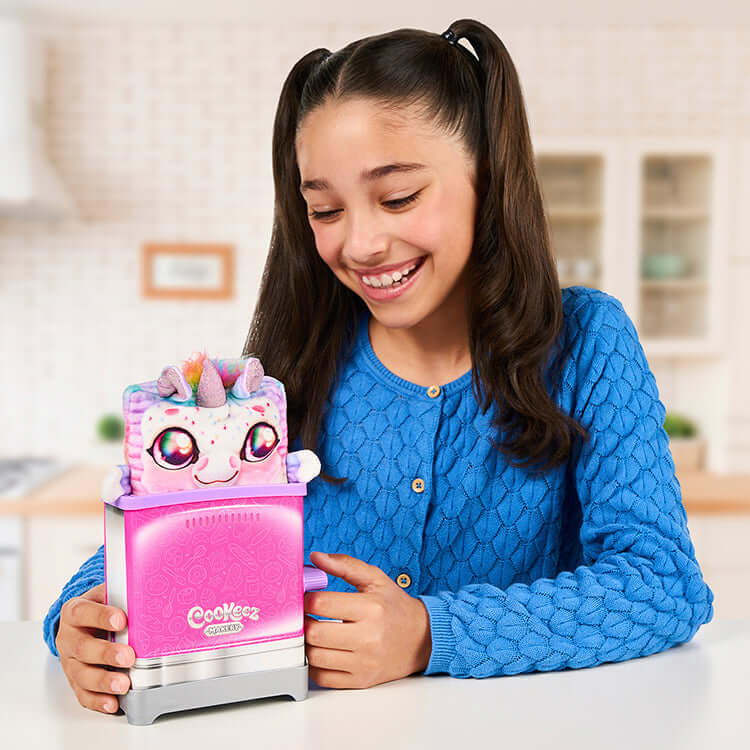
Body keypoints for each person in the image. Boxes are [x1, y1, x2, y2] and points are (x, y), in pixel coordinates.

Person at [44, 18, 714, 715]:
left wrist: (429, 634)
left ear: (487, 172)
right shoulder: (287, 373)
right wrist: (76, 619)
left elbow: (661, 583)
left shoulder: (586, 341)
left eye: (398, 197)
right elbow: (171, 535)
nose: (361, 243)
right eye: (325, 210)